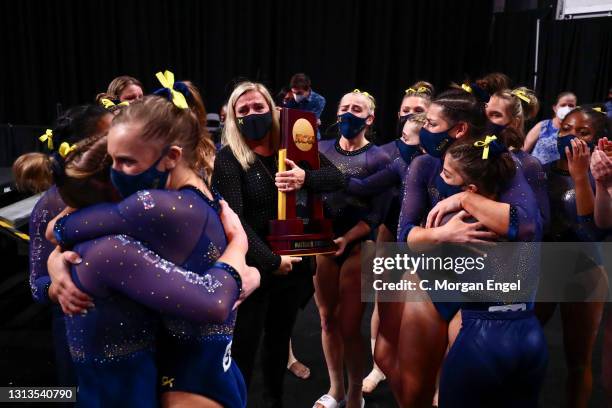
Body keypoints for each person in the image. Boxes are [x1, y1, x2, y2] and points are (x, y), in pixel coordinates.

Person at [394, 86, 540, 407]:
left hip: (484, 293)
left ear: (458, 129)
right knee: (413, 391)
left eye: (431, 124)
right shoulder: (425, 166)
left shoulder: (509, 163)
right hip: (433, 281)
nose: (423, 130)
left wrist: (464, 198)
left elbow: (528, 226)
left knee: (458, 393)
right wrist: (444, 235)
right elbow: (405, 237)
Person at [212, 81, 345, 408]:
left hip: (294, 267)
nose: (252, 114)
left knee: (278, 342)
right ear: (232, 117)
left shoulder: (295, 149)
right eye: (243, 110)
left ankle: (274, 401)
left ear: (272, 109)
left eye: (258, 107)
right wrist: (272, 261)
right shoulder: (229, 159)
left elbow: (337, 179)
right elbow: (235, 221)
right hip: (255, 268)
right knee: (243, 346)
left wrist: (305, 178)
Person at [436, 136, 548, 407]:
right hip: (531, 334)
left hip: (482, 336)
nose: (440, 177)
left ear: (471, 188)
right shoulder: (526, 216)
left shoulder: (459, 224)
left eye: (447, 174)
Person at [12, 104, 113, 386]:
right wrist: (59, 287)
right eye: (111, 134)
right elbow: (37, 284)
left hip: (133, 335)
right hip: (81, 332)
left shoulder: (123, 188)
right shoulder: (52, 205)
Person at [314, 89, 391, 408]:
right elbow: (309, 193)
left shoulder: (379, 158)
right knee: (327, 320)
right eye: (343, 107)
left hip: (358, 243)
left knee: (349, 325)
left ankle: (356, 392)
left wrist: (347, 238)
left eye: (356, 109)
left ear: (369, 119)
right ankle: (335, 389)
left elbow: (377, 214)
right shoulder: (320, 149)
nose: (348, 113)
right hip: (322, 243)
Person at [344, 113, 426, 395]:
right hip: (396, 244)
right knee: (386, 309)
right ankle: (382, 369)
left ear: (425, 143)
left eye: (407, 139)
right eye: (400, 137)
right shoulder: (398, 163)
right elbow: (362, 186)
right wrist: (320, 176)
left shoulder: (439, 169)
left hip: (427, 254)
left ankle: (433, 384)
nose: (400, 142)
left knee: (422, 323)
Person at [536, 106, 610, 408]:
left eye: (583, 133)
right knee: (527, 347)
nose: (571, 137)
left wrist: (582, 177)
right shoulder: (540, 170)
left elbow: (591, 231)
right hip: (542, 268)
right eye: (566, 129)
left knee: (578, 361)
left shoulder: (602, 176)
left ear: (598, 139)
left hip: (584, 270)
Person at [524, 91, 577, 165]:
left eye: (571, 105)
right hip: (535, 172)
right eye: (563, 105)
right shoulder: (543, 126)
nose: (567, 108)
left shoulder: (576, 132)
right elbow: (524, 150)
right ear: (555, 108)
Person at [282, 73, 326, 138]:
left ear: (308, 90)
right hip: (290, 135)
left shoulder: (319, 100)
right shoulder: (288, 98)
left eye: (299, 93)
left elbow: (308, 123)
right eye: (294, 92)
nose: (296, 96)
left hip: (309, 136)